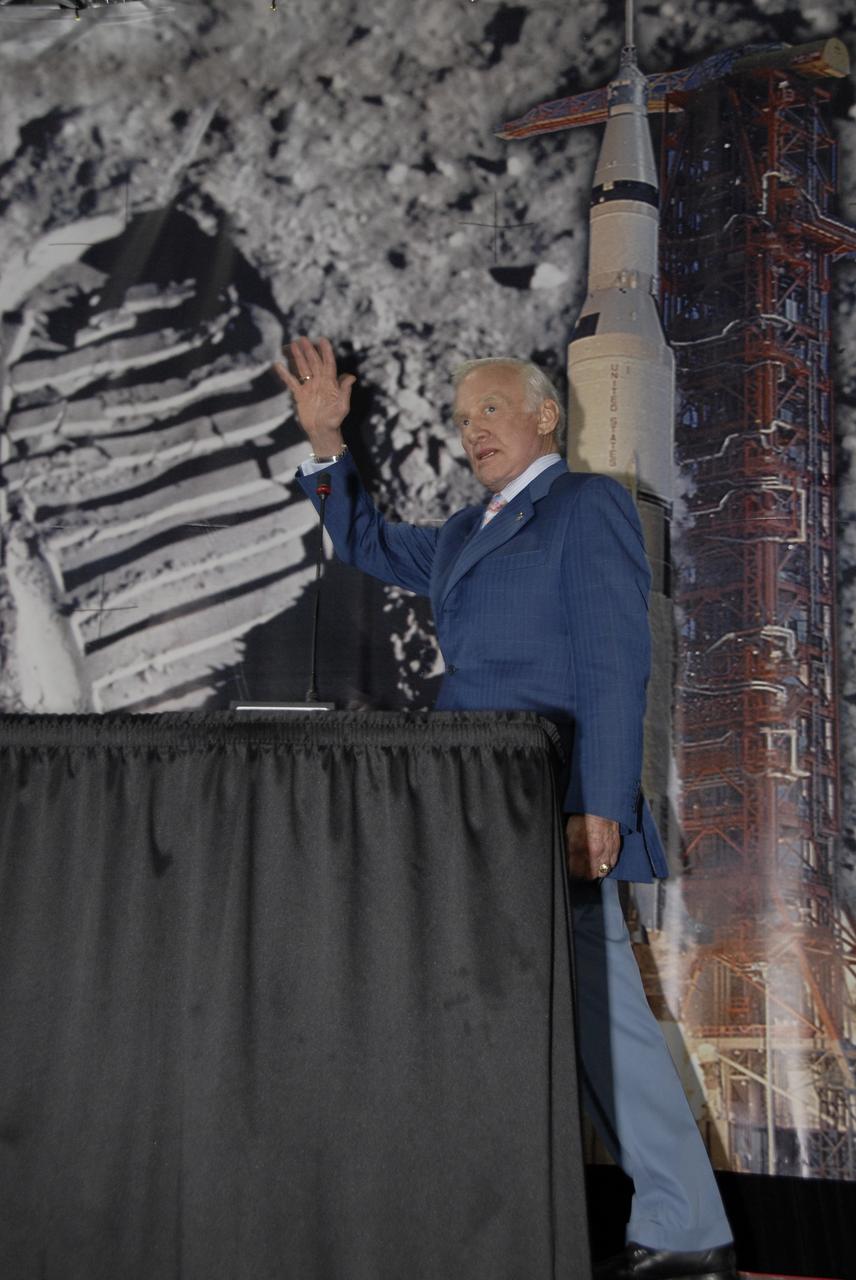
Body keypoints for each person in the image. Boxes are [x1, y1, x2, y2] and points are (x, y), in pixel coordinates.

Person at [273, 336, 737, 1280]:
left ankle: (689, 1231)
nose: (471, 429)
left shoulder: (586, 506)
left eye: (490, 409)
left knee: (601, 1010)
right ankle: (511, 1223)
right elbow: (362, 540)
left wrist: (596, 804)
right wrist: (325, 444)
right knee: (488, 1010)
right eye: (461, 418)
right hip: (469, 805)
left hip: (548, 803)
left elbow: (616, 661)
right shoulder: (460, 534)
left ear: (545, 417)